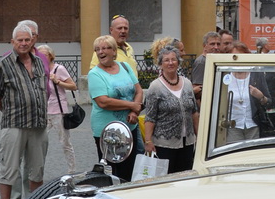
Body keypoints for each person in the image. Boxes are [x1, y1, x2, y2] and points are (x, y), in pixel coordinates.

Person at [0, 20, 52, 199]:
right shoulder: (3, 65)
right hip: (14, 124)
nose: (24, 43)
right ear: (12, 42)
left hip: (38, 124)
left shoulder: (39, 62)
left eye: (27, 39)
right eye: (20, 40)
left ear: (32, 40)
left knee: (37, 169)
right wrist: (9, 110)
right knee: (9, 168)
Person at [87, 33, 141, 181]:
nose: (101, 52)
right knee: (112, 172)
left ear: (114, 51)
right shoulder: (94, 74)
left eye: (105, 48)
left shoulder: (125, 66)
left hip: (129, 127)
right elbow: (103, 102)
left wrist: (134, 111)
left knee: (129, 169)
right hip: (107, 131)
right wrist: (132, 105)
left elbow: (139, 90)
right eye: (97, 49)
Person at [143, 45, 197, 173]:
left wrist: (199, 135)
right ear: (160, 64)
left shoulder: (187, 83)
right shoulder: (155, 87)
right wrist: (148, 141)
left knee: (185, 176)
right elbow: (150, 117)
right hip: (164, 144)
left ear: (178, 62)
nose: (171, 63)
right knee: (166, 178)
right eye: (166, 60)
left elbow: (194, 112)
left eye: (174, 59)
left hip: (187, 142)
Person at [39, 42, 79, 176]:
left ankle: (72, 170)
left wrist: (58, 82)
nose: (42, 57)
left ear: (50, 56)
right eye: (39, 55)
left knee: (65, 142)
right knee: (39, 143)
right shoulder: (37, 70)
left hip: (59, 112)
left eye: (44, 55)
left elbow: (73, 86)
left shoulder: (58, 69)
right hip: (43, 112)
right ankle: (38, 171)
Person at [221, 47, 262, 142]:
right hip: (232, 126)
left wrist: (261, 97)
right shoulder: (225, 75)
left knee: (252, 154)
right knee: (235, 153)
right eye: (235, 57)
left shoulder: (256, 75)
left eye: (241, 56)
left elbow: (268, 101)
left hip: (253, 125)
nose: (238, 59)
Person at [87, 14, 139, 80]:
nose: (123, 31)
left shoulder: (129, 48)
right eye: (119, 28)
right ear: (111, 30)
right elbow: (94, 74)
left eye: (125, 28)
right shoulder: (103, 49)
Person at [190, 32, 220, 99]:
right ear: (204, 46)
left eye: (218, 44)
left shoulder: (214, 60)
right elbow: (196, 89)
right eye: (212, 44)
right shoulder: (201, 62)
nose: (216, 47)